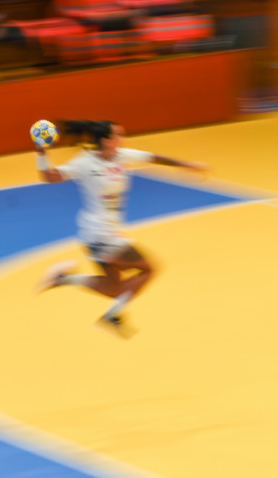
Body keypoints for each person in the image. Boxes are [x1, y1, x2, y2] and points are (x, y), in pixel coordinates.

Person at [35, 119, 209, 338]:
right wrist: (41, 151)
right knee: (149, 268)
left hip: (102, 232)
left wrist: (186, 165)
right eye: (118, 135)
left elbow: (155, 158)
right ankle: (112, 315)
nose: (122, 139)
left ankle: (62, 279)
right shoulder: (85, 163)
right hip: (99, 233)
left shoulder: (123, 156)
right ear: (106, 140)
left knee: (114, 288)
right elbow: (49, 176)